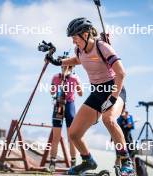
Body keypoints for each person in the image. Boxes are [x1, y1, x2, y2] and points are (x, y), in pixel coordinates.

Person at [45, 17, 135, 175]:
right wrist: (58, 62)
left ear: (85, 35)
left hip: (114, 89)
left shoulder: (103, 47)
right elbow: (79, 60)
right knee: (74, 133)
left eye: (75, 38)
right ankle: (88, 161)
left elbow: (121, 73)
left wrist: (112, 99)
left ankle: (126, 161)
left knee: (109, 120)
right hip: (97, 92)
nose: (73, 42)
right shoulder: (79, 50)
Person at [49, 64, 83, 172]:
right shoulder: (72, 77)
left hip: (61, 105)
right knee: (69, 137)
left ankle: (53, 164)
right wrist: (76, 83)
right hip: (67, 106)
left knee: (58, 137)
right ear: (72, 68)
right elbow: (81, 93)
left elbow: (52, 92)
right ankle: (71, 163)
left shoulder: (56, 76)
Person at [115, 108, 135, 174]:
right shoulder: (119, 117)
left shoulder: (130, 116)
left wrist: (128, 121)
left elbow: (132, 126)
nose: (125, 112)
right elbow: (117, 126)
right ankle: (117, 172)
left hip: (129, 139)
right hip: (119, 139)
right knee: (118, 156)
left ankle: (133, 172)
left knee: (132, 156)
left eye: (126, 111)